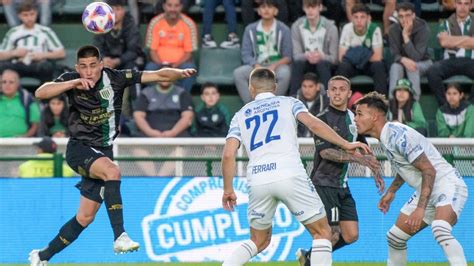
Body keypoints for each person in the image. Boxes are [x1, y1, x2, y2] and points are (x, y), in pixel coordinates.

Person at [29, 45, 196, 265]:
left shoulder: (116, 78)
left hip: (103, 151)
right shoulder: (71, 79)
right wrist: (73, 82)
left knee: (85, 217)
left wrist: (178, 73)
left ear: (101, 64)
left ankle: (41, 256)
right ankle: (120, 236)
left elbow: (157, 75)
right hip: (79, 149)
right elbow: (40, 92)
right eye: (83, 67)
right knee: (112, 171)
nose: (88, 71)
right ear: (77, 67)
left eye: (92, 66)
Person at [221, 68, 372, 266]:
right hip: (289, 174)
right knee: (323, 232)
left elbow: (228, 154)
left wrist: (228, 190)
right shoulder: (290, 102)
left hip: (257, 180)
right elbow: (314, 124)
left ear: (251, 88)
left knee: (258, 241)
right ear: (275, 87)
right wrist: (345, 144)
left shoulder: (240, 115)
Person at [354, 92, 468, 266]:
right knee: (395, 238)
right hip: (426, 187)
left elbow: (429, 170)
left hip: (447, 184)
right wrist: (391, 191)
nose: (355, 119)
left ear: (375, 116)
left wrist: (420, 209)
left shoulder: (399, 135)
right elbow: (407, 166)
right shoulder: (386, 137)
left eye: (359, 114)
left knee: (440, 229)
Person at [295, 76, 384, 266]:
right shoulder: (321, 119)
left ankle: (309, 258)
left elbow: (364, 149)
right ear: (327, 93)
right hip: (324, 183)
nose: (337, 93)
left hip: (342, 185)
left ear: (349, 93)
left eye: (342, 89)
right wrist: (358, 158)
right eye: (333, 89)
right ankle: (312, 261)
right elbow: (326, 152)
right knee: (331, 234)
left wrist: (376, 171)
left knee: (351, 235)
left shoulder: (354, 119)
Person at [233, 0, 292, 103]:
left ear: (276, 11)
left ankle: (274, 103)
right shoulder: (250, 29)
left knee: (285, 73)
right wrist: (255, 65)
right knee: (238, 73)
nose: (266, 10)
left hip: (276, 66)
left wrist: (274, 66)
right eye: (263, 7)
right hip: (257, 65)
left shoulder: (284, 29)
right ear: (259, 11)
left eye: (269, 7)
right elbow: (245, 54)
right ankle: (251, 104)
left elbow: (288, 56)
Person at [0, 1, 65, 83]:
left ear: (36, 14)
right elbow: (1, 55)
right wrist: (14, 53)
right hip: (18, 65)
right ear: (19, 16)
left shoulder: (45, 31)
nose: (29, 18)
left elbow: (61, 53)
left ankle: (46, 94)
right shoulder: (13, 32)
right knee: (2, 66)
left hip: (38, 65)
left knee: (47, 66)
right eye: (25, 15)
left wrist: (42, 55)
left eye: (32, 14)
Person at [427, 0, 474, 105]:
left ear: (471, 5)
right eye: (460, 3)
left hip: (470, 61)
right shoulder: (446, 22)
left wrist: (452, 40)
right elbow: (444, 42)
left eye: (466, 4)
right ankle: (445, 107)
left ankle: (470, 108)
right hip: (450, 61)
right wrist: (467, 39)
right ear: (455, 4)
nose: (462, 7)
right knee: (432, 72)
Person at [144, 0, 198, 92]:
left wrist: (174, 67)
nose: (173, 9)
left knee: (190, 70)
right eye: (169, 5)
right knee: (149, 69)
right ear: (164, 6)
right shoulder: (155, 22)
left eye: (176, 6)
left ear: (181, 7)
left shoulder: (189, 24)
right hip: (159, 64)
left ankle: (181, 100)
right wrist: (164, 67)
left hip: (180, 64)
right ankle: (154, 101)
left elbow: (188, 53)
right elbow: (152, 51)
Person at [336, 4, 387, 96]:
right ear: (352, 18)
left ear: (368, 18)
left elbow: (378, 57)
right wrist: (367, 53)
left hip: (368, 65)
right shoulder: (347, 28)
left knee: (379, 66)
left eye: (362, 17)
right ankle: (341, 104)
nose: (359, 21)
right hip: (352, 66)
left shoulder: (374, 29)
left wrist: (353, 53)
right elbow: (341, 56)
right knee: (342, 67)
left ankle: (380, 103)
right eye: (356, 17)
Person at [290, 0, 338, 96]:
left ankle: (327, 99)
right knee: (298, 64)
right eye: (308, 7)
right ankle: (293, 98)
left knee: (322, 64)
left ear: (320, 7)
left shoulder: (331, 27)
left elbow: (334, 58)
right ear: (304, 8)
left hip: (324, 63)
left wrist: (321, 56)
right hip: (305, 61)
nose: (310, 10)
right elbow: (296, 56)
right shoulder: (296, 26)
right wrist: (306, 55)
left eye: (314, 7)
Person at [388, 2, 432, 100]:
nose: (404, 19)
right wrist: (403, 60)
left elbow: (417, 57)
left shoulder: (423, 28)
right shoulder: (392, 30)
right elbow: (394, 54)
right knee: (395, 67)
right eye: (401, 16)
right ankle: (393, 107)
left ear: (414, 15)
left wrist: (405, 37)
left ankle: (414, 106)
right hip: (402, 63)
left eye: (407, 15)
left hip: (423, 62)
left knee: (412, 67)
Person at [0, 69, 40, 137]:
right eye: (4, 82)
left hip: (21, 144)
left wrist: (23, 138)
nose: (7, 85)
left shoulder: (28, 100)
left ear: (17, 84)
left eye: (11, 82)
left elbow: (35, 125)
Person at [295, 72, 329, 137]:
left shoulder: (327, 101)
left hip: (319, 143)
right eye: (304, 86)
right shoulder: (293, 101)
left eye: (310, 86)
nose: (307, 90)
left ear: (318, 87)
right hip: (297, 141)